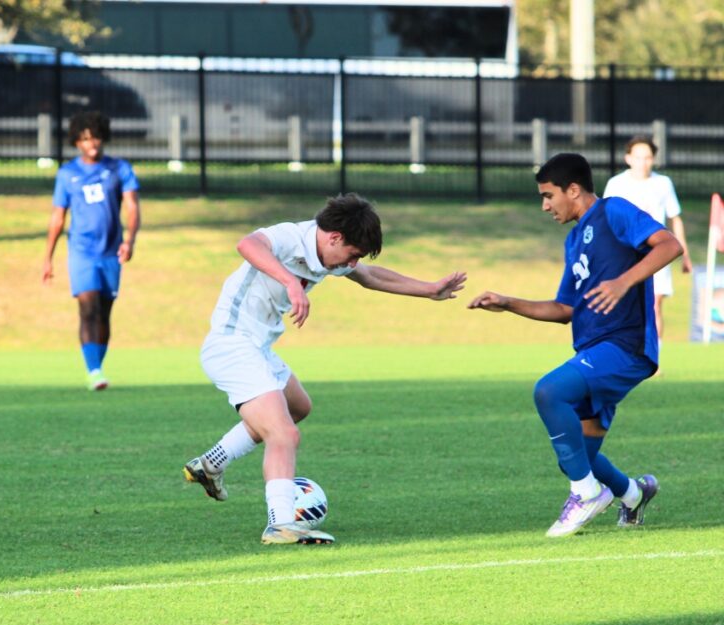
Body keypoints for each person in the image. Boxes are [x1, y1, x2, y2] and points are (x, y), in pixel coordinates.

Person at [184, 193, 467, 544]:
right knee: (283, 434)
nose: (351, 262)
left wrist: (428, 290)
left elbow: (370, 276)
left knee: (297, 406)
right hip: (232, 345)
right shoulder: (290, 237)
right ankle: (280, 523)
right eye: (352, 253)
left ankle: (211, 463)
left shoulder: (331, 255)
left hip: (256, 348)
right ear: (334, 237)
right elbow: (248, 244)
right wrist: (290, 282)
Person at [469, 153, 682, 538]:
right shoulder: (573, 241)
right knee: (578, 456)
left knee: (549, 392)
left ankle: (585, 495)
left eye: (548, 195)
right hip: (592, 350)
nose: (545, 205)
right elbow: (564, 308)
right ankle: (634, 494)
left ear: (573, 189)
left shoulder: (614, 211)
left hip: (625, 346)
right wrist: (508, 303)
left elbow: (669, 245)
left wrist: (623, 282)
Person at [42, 110, 140, 391]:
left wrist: (130, 240)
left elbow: (132, 207)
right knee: (88, 306)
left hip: (111, 252)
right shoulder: (67, 174)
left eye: (95, 137)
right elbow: (57, 217)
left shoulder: (119, 169)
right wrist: (47, 259)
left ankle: (97, 365)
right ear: (76, 142)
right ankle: (93, 370)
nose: (92, 143)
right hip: (81, 252)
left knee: (104, 312)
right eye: (85, 139)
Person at [603, 135, 692, 349]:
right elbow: (605, 219)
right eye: (638, 157)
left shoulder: (663, 183)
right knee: (623, 305)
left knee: (654, 304)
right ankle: (623, 351)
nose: (643, 162)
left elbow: (675, 218)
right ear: (628, 158)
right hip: (624, 253)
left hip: (657, 253)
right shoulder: (616, 184)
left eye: (648, 158)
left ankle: (654, 355)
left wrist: (685, 254)